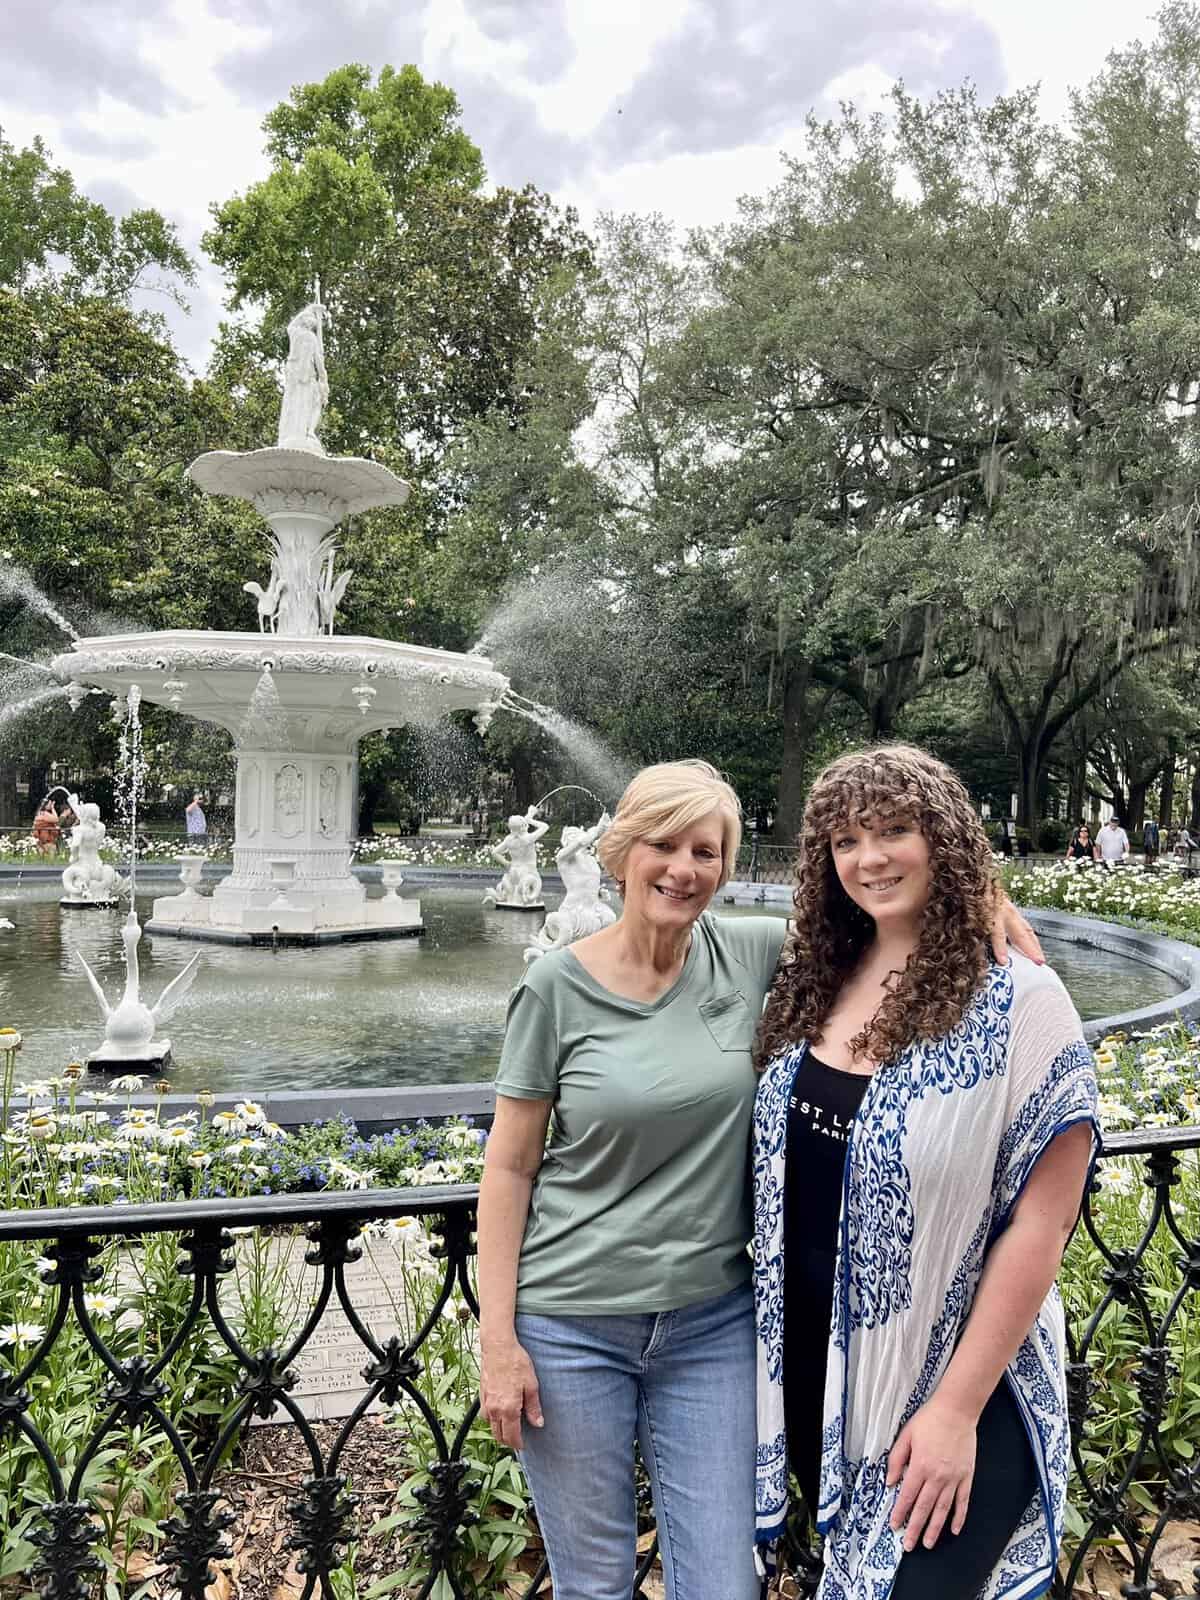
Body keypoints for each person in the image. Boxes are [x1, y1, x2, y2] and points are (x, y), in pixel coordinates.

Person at [476, 759, 1042, 1600]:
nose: (683, 869)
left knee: (724, 1583)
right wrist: (499, 1338)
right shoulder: (555, 986)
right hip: (570, 1324)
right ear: (622, 851)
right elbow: (511, 1164)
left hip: (713, 1326)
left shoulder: (748, 952)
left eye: (706, 851)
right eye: (664, 845)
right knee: (593, 1582)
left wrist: (984, 898)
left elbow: (880, 913)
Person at [752, 745, 1098, 1600]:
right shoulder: (811, 979)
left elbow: (1044, 1223)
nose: (868, 859)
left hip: (963, 1388)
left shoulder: (1020, 1000)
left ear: (944, 839)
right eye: (846, 841)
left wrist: (953, 1412)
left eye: (895, 831)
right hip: (822, 1379)